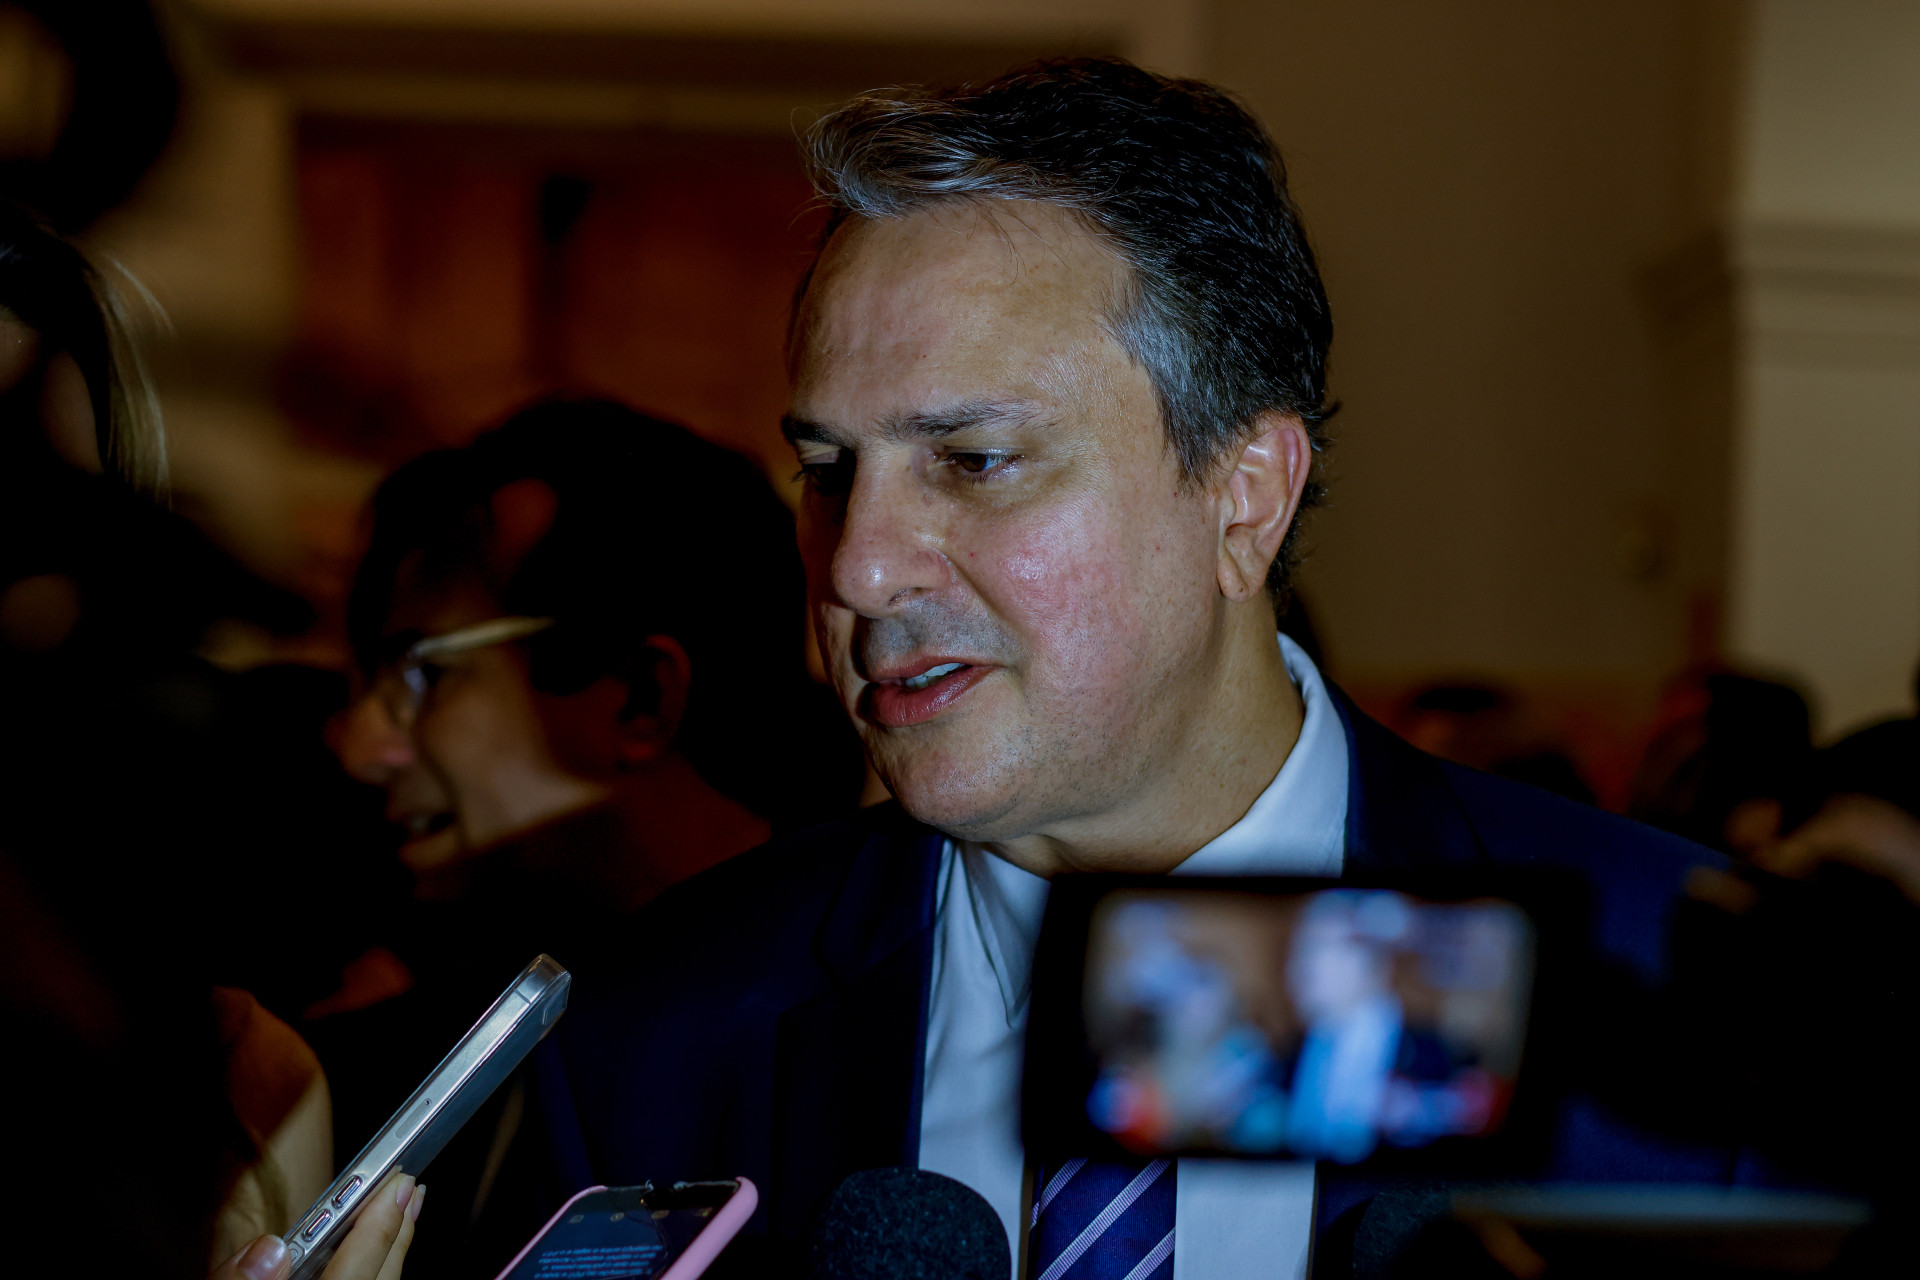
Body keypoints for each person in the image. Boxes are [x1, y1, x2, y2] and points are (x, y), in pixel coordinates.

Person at [531, 58, 1724, 1277]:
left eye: (977, 458)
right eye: (830, 470)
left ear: (1245, 494)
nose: (860, 569)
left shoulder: (1689, 1003)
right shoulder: (654, 1035)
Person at [318, 398, 865, 1279]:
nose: (361, 748)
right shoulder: (367, 1073)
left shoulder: (886, 1038)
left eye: (423, 673)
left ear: (642, 699)